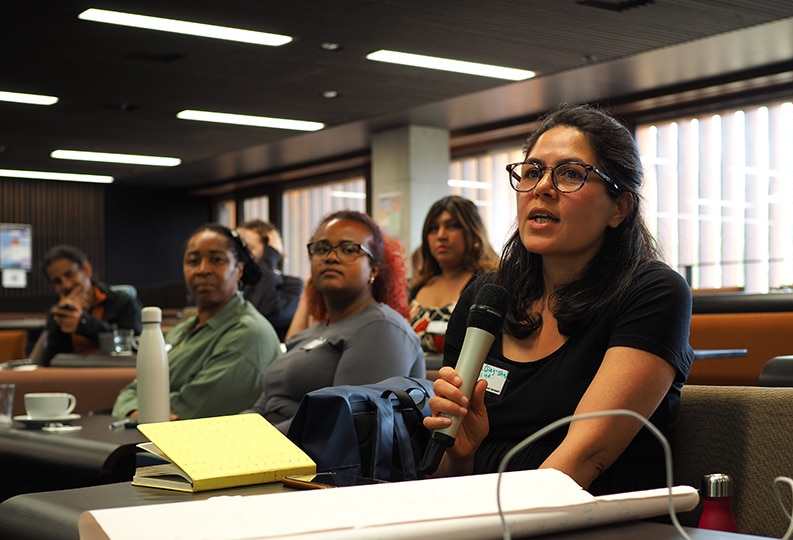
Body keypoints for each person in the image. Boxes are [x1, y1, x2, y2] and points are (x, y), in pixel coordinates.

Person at [423, 105, 694, 496]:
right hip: (478, 513)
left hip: (599, 522)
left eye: (570, 174)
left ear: (619, 208)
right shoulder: (485, 297)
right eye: (532, 172)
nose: (541, 187)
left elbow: (585, 458)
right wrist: (461, 455)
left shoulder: (654, 292)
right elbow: (442, 471)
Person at [244, 210, 426, 432]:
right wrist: (224, 433)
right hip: (265, 446)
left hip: (312, 459)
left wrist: (254, 441)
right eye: (321, 249)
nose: (331, 257)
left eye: (349, 250)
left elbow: (345, 423)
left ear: (374, 269)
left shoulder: (381, 327)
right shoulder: (313, 332)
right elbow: (265, 403)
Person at [112, 223, 282, 420]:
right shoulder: (182, 330)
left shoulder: (248, 332)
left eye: (217, 260)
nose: (202, 270)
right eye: (193, 261)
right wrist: (137, 411)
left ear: (239, 270)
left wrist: (140, 413)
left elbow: (192, 411)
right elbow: (132, 392)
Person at [408, 195, 498, 355]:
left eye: (452, 226)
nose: (441, 236)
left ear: (473, 232)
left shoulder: (487, 286)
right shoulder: (416, 287)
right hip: (407, 379)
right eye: (433, 229)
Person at [41, 245, 142, 366]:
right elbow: (49, 362)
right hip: (70, 376)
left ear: (86, 269)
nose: (66, 285)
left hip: (114, 372)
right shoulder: (57, 312)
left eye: (70, 274)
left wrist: (83, 322)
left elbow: (134, 346)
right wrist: (59, 323)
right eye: (57, 282)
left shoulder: (123, 302)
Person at [236, 219, 303, 341]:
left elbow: (260, 311)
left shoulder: (293, 285)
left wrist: (268, 258)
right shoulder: (232, 286)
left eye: (249, 249)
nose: (242, 256)